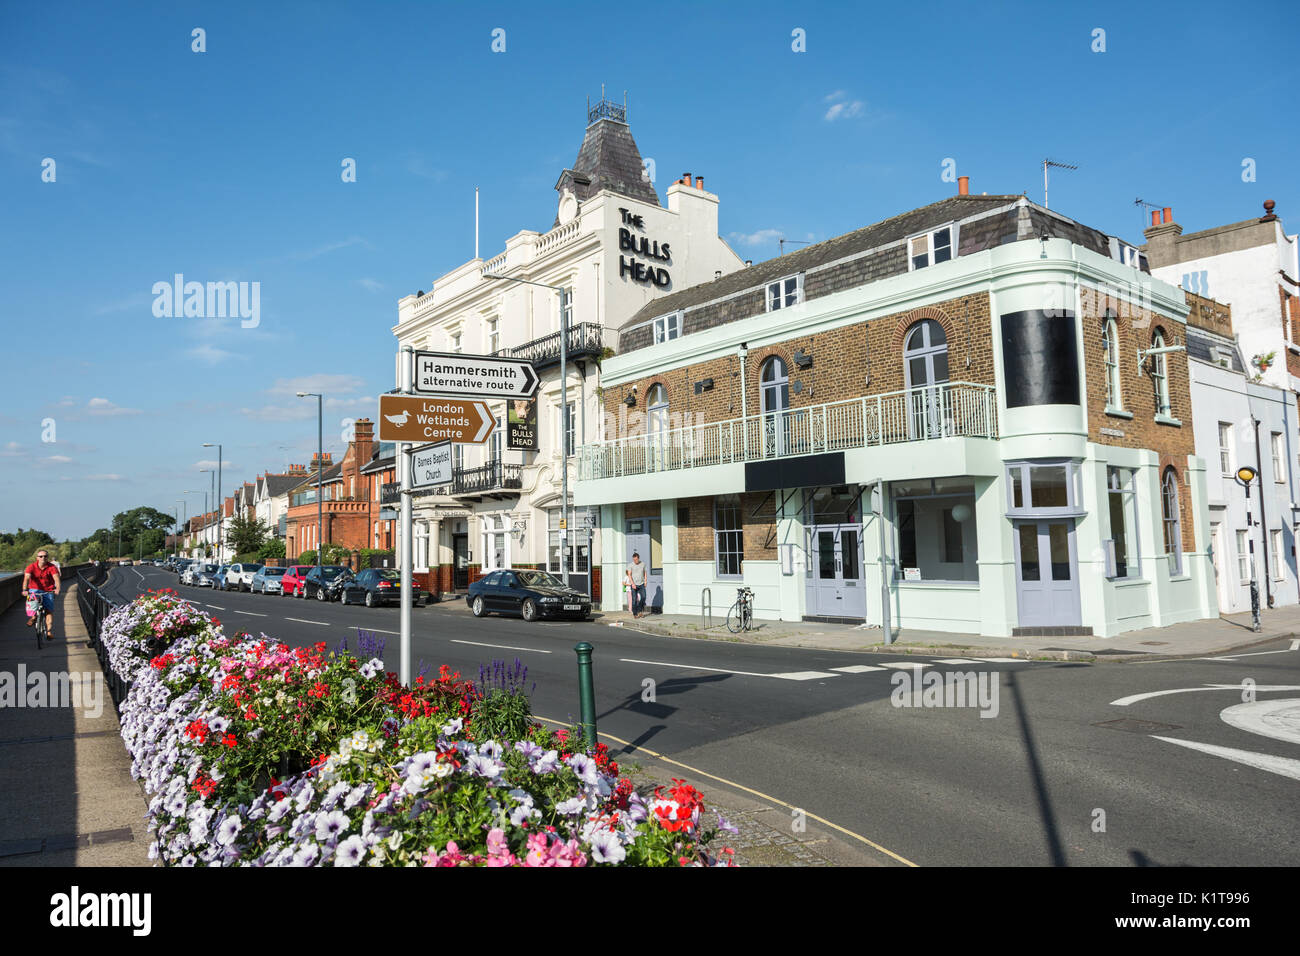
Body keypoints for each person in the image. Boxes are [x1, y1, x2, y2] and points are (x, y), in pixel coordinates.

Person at [22, 548, 61, 640]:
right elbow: (26, 578)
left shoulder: (52, 567)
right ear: (37, 558)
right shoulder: (31, 567)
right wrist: (24, 589)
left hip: (48, 590)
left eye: (45, 556)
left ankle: (49, 632)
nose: (43, 558)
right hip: (34, 589)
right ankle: (33, 617)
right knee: (33, 602)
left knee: (49, 611)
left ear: (47, 558)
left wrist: (57, 589)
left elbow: (56, 579)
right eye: (41, 556)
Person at [626, 551, 647, 618]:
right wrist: (632, 584)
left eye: (636, 559)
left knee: (643, 597)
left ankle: (640, 610)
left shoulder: (643, 564)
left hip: (641, 584)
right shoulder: (630, 565)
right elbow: (629, 575)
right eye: (634, 559)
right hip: (634, 585)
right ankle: (635, 614)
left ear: (638, 558)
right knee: (634, 600)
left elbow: (644, 573)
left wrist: (645, 581)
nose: (635, 561)